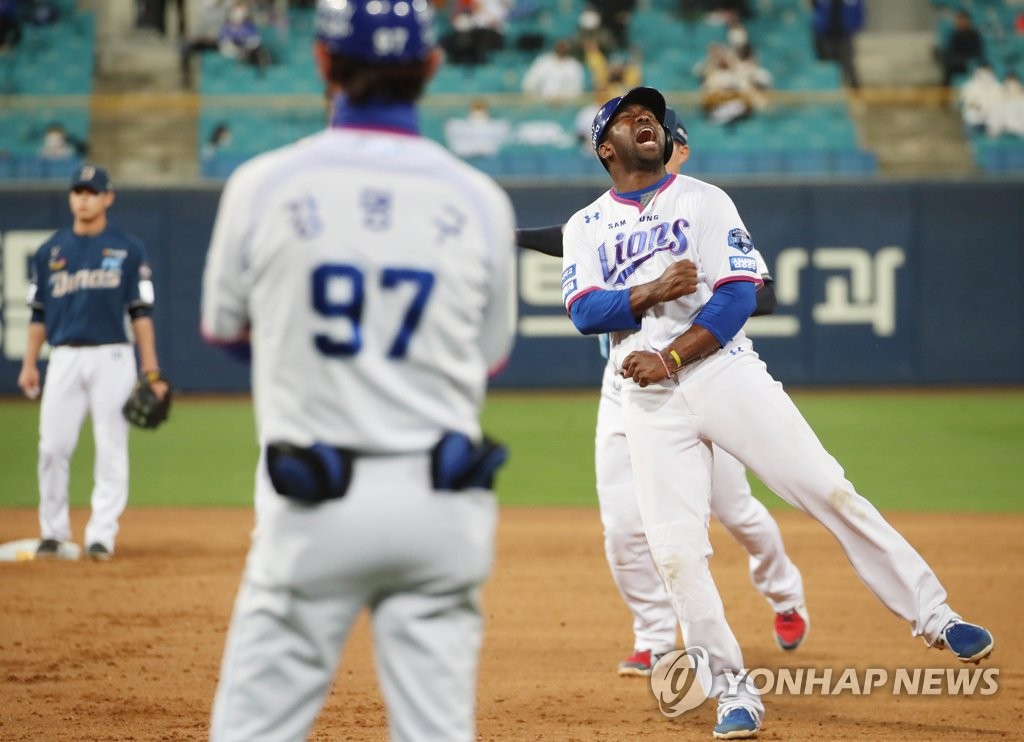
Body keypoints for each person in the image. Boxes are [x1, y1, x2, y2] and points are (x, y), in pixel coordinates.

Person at [561, 86, 994, 739]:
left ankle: (935, 616)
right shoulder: (584, 225)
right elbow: (585, 311)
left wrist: (673, 353)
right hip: (645, 399)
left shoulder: (704, 199)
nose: (642, 119)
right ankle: (734, 691)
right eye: (625, 118)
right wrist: (652, 290)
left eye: (648, 113)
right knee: (677, 553)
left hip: (722, 371)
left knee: (827, 488)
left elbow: (736, 294)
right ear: (605, 148)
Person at [200, 1, 517, 739]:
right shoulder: (479, 200)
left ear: (321, 63)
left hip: (314, 502)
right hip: (441, 502)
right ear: (432, 67)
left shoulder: (262, 183)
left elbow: (224, 329)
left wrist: (309, 362)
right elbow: (487, 355)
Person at [517, 108, 808, 678]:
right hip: (626, 382)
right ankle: (653, 636)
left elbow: (760, 295)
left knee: (737, 513)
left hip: (704, 376)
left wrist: (696, 294)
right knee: (624, 526)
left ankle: (784, 594)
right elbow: (568, 240)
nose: (666, 147)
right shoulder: (606, 225)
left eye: (669, 137)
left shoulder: (704, 210)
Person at [18, 164, 168, 562]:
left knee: (111, 447)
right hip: (63, 356)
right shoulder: (49, 251)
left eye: (91, 192)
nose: (83, 198)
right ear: (71, 197)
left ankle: (102, 534)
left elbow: (142, 314)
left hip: (113, 356)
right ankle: (53, 531)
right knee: (52, 447)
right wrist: (30, 363)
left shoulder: (129, 250)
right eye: (78, 192)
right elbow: (37, 315)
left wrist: (150, 371)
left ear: (108, 198)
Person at [810, 0, 864, 89]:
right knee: (827, 67)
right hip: (825, 36)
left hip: (845, 36)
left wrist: (853, 28)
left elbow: (859, 12)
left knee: (848, 66)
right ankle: (828, 92)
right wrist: (817, 27)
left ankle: (856, 95)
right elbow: (814, 10)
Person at [521, 38, 585, 102]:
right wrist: (539, 97)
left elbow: (577, 88)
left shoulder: (574, 65)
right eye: (559, 45)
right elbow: (530, 83)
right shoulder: (542, 61)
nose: (561, 48)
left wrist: (562, 98)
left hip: (566, 103)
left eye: (563, 46)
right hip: (542, 102)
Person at [444, 98, 510, 158]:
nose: (478, 113)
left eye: (480, 108)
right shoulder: (458, 126)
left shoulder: (498, 126)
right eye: (476, 108)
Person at [937, 9, 985, 88]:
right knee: (947, 66)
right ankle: (945, 93)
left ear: (968, 21)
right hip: (956, 61)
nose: (961, 22)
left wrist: (969, 58)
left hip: (968, 60)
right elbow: (951, 50)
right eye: (960, 20)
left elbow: (977, 50)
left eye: (964, 20)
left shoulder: (974, 35)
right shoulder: (954, 35)